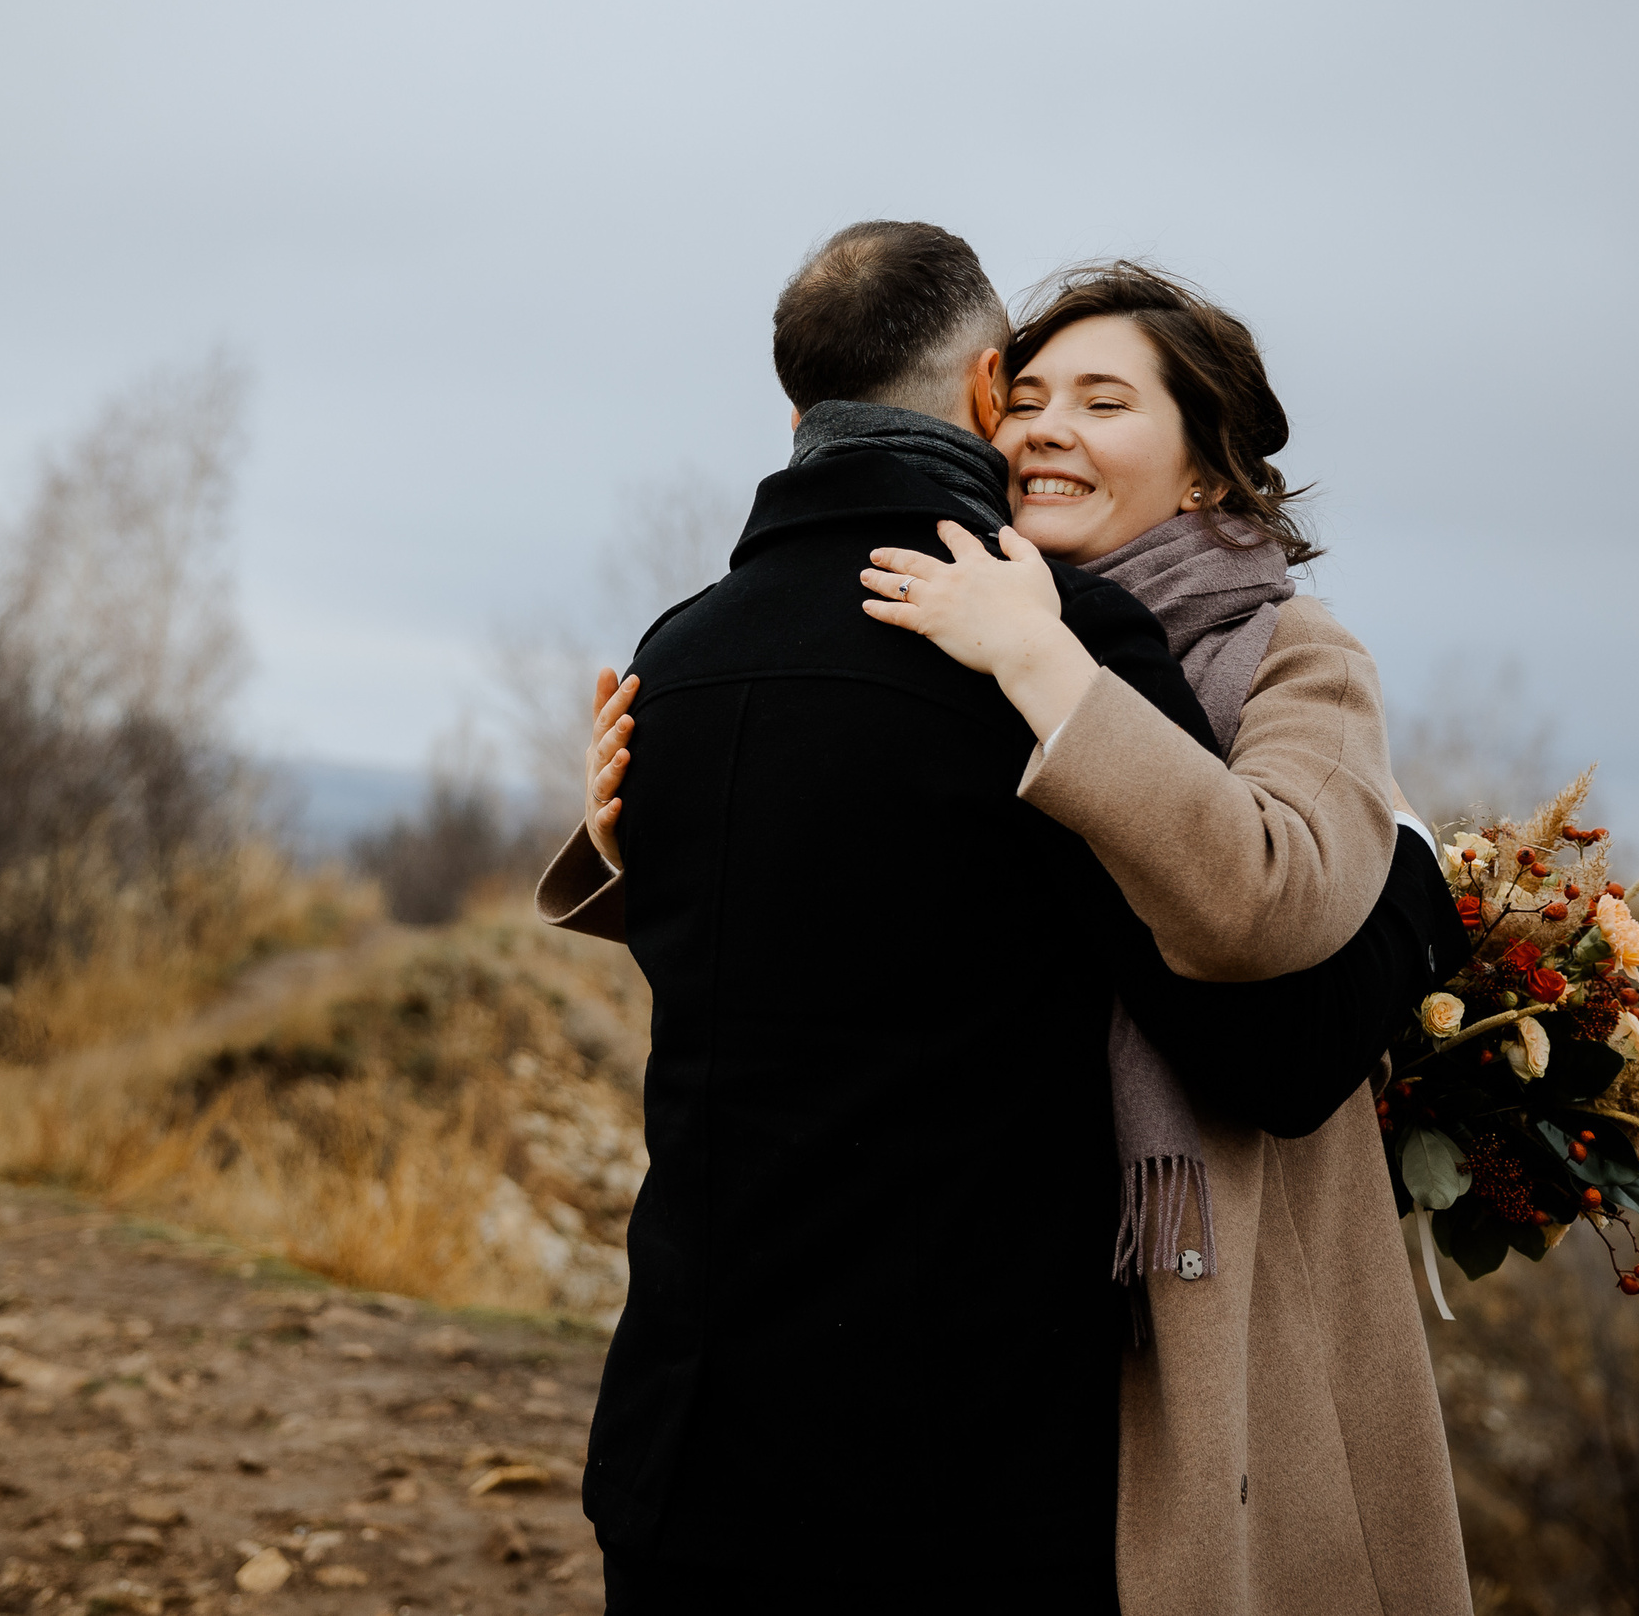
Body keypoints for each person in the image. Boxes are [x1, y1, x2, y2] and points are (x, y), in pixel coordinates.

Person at [570, 258, 1475, 1613]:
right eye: (1033, 392)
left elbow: (1274, 986)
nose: (1048, 424)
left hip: (1214, 1305)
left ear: (1210, 470)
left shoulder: (1282, 652)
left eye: (1105, 399)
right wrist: (623, 831)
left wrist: (1417, 881)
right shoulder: (1004, 633)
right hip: (986, 1401)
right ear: (980, 397)